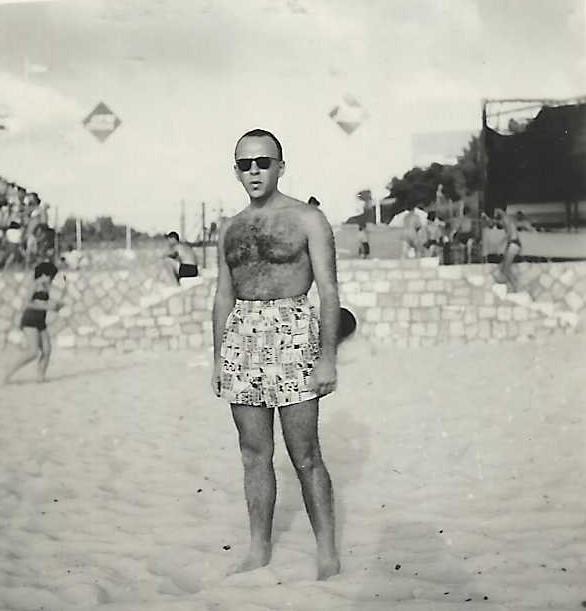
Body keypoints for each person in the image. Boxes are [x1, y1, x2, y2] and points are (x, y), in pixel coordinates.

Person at [211, 128, 340, 580]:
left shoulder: (307, 219)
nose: (254, 171)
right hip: (241, 339)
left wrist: (327, 358)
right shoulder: (230, 227)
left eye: (263, 162)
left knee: (305, 454)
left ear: (280, 166)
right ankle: (259, 548)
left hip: (294, 333)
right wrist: (217, 359)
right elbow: (223, 296)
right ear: (236, 170)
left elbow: (328, 289)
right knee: (252, 452)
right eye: (245, 164)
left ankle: (326, 552)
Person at [3, 261, 64, 384]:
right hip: (30, 320)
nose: (51, 279)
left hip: (40, 321)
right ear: (44, 274)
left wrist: (56, 306)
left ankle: (40, 377)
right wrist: (47, 307)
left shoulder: (46, 286)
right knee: (32, 352)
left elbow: (44, 303)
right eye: (50, 276)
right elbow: (27, 304)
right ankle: (7, 374)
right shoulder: (34, 285)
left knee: (47, 350)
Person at [482, 208, 521, 291]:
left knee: (506, 267)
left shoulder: (505, 219)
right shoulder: (506, 219)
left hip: (513, 244)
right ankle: (512, 286)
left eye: (496, 212)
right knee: (505, 266)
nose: (495, 214)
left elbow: (509, 233)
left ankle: (513, 286)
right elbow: (494, 223)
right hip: (512, 244)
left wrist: (500, 243)